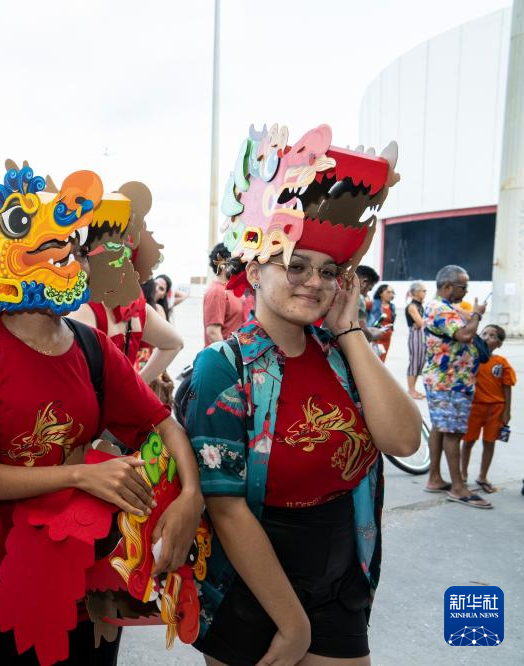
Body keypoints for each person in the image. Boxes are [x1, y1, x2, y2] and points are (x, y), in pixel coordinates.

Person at [0, 154, 202, 664]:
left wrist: (190, 495)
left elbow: (164, 423)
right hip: (1, 586)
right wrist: (78, 475)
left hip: (93, 583)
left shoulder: (91, 346)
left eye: (72, 246)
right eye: (51, 246)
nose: (67, 257)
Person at [185, 123, 417, 665]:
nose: (314, 282)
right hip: (250, 581)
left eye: (329, 270)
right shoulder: (224, 368)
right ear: (256, 265)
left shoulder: (340, 354)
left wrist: (351, 331)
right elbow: (226, 508)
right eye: (295, 265)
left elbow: (403, 440)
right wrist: (292, 626)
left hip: (342, 570)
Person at [422, 264, 490, 508]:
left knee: (441, 428)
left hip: (446, 380)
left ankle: (435, 478)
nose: (465, 291)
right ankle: (458, 488)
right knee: (452, 433)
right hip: (450, 382)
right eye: (463, 286)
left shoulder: (440, 307)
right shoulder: (440, 308)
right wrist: (477, 314)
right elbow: (463, 335)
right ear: (448, 286)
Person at [460, 325, 515, 495]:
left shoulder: (501, 362)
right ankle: (462, 475)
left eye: (492, 336)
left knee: (489, 442)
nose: (486, 337)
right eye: (484, 333)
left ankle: (483, 476)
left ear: (498, 343)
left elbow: (507, 386)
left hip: (496, 408)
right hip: (474, 407)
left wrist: (507, 411)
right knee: (468, 442)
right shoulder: (470, 359)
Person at [202, 243, 245, 347]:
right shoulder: (217, 291)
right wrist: (228, 358)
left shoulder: (232, 289)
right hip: (223, 359)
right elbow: (213, 332)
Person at [405, 282, 427, 399]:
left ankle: (413, 389)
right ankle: (411, 390)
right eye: (423, 291)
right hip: (415, 336)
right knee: (414, 363)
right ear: (416, 292)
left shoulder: (420, 306)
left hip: (421, 335)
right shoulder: (412, 306)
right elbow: (421, 323)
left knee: (420, 363)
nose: (425, 293)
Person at [355, 265, 384, 343]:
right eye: (369, 289)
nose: (366, 295)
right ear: (364, 282)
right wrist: (377, 333)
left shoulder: (337, 294)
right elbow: (363, 332)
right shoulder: (358, 298)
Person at [369, 283, 395, 361]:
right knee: (373, 361)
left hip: (387, 339)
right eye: (388, 292)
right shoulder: (373, 304)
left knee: (382, 361)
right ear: (381, 293)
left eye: (392, 292)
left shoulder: (392, 307)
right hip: (375, 338)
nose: (391, 294)